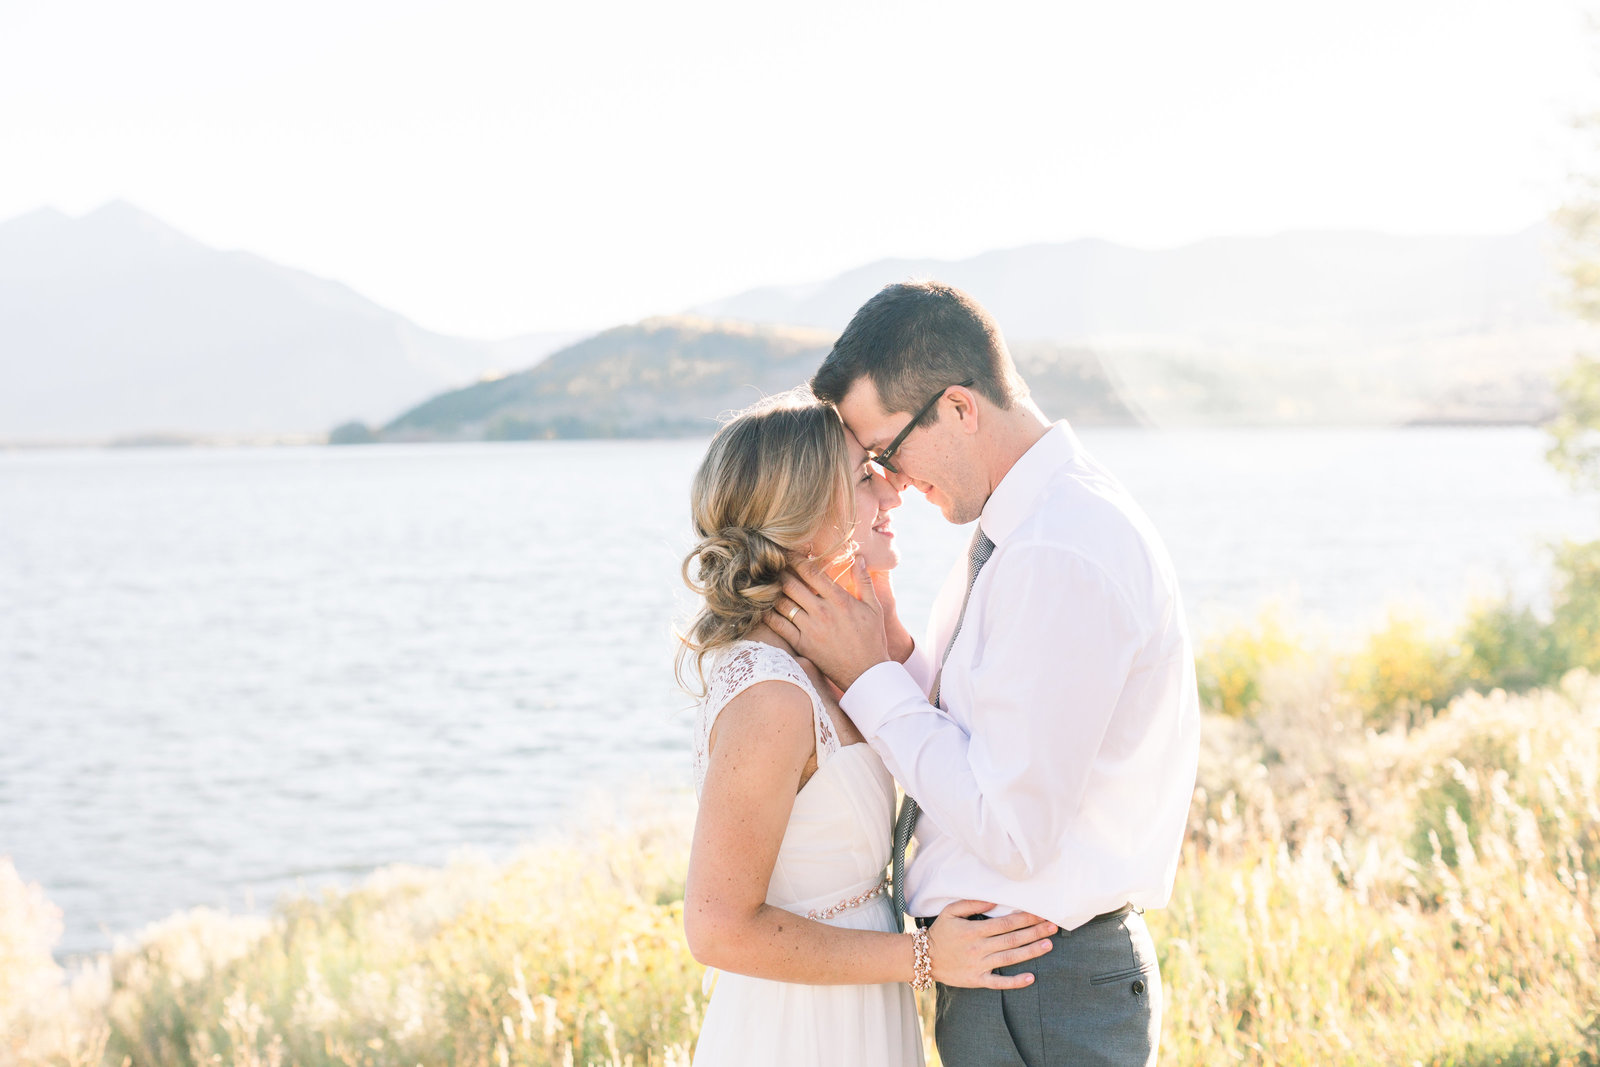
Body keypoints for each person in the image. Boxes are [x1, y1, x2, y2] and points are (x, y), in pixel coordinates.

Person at [769, 282, 1202, 1066]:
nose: (890, 483)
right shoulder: (1028, 528)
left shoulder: (1056, 550)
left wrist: (870, 676)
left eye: (888, 452)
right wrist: (892, 643)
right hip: (1025, 976)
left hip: (1044, 982)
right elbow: (987, 725)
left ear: (961, 408)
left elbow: (1011, 827)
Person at [678, 390, 1058, 1066]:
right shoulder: (771, 695)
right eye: (863, 474)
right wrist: (923, 955)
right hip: (795, 1032)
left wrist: (880, 626)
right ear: (800, 511)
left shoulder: (832, 657)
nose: (893, 491)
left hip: (860, 1012)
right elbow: (716, 927)